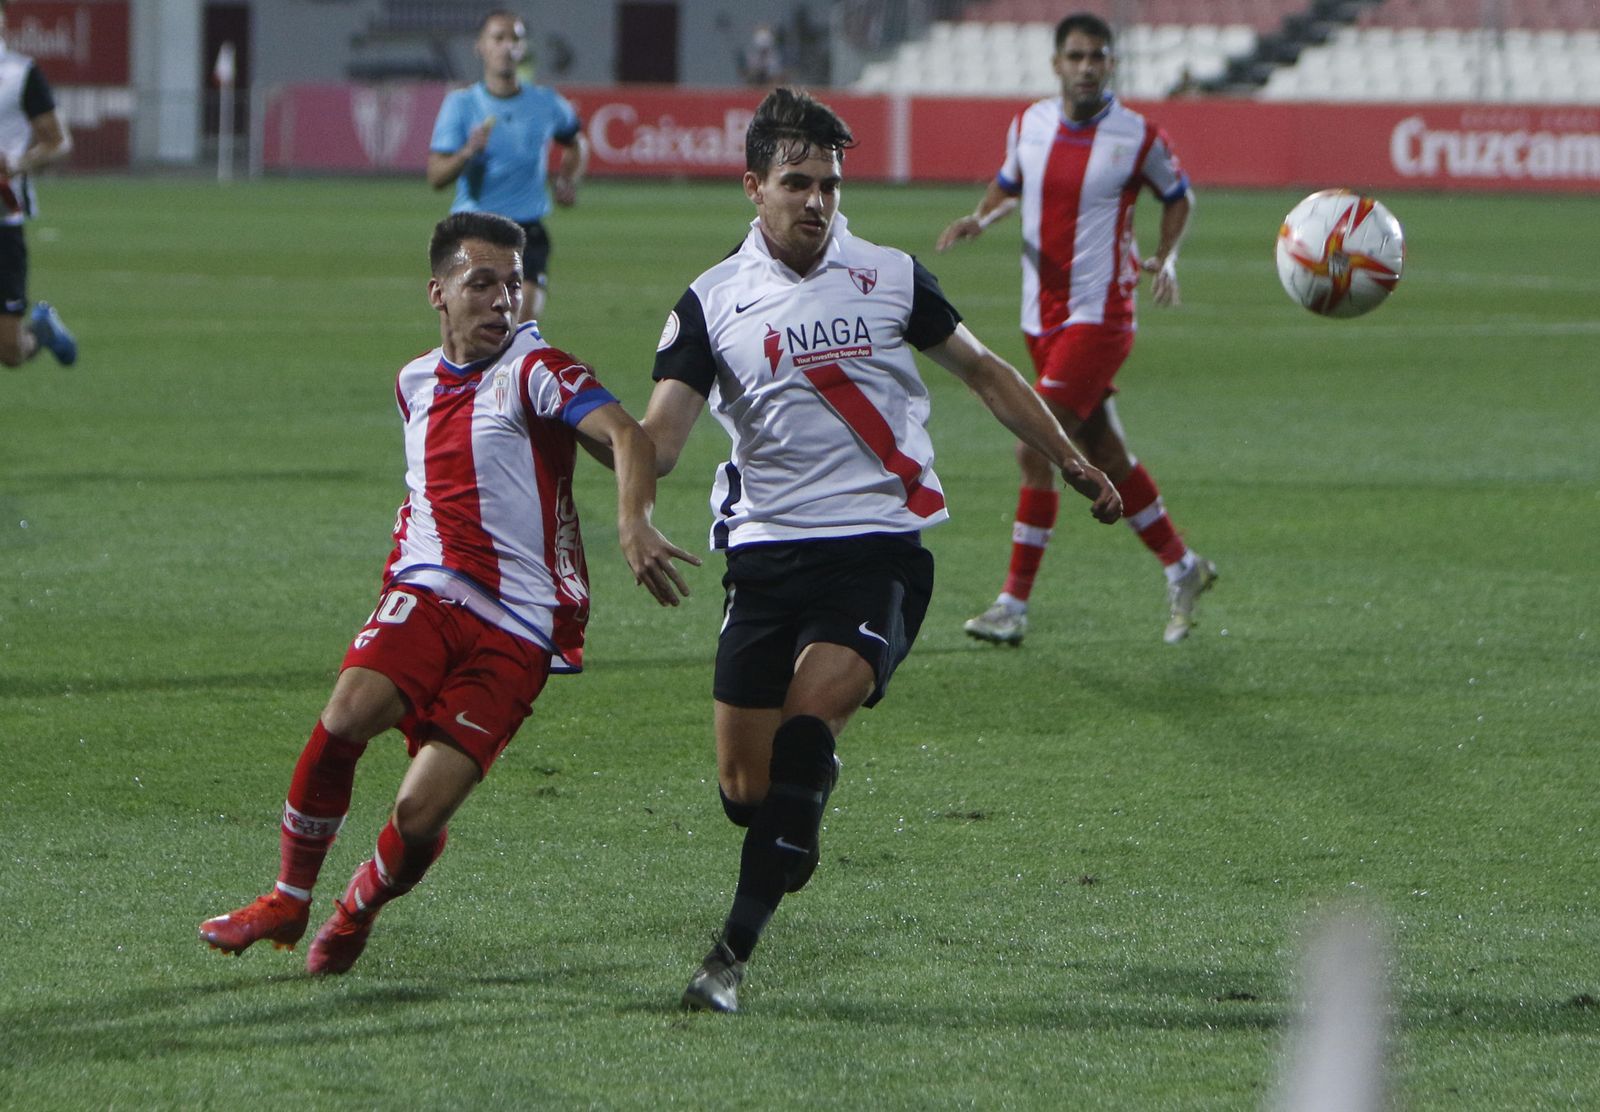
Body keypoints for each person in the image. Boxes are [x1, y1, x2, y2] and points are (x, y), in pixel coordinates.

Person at [642, 87, 1122, 1013]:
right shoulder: (711, 303)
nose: (816, 200)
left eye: (828, 182)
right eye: (796, 183)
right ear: (754, 187)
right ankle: (793, 811)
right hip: (766, 560)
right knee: (749, 791)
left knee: (807, 733)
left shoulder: (892, 276)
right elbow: (660, 441)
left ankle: (727, 961)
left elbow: (986, 371)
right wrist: (581, 425)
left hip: (878, 552)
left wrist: (1071, 460)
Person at [199, 212, 698, 975]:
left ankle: (356, 906)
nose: (504, 301)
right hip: (429, 590)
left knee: (417, 813)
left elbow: (631, 438)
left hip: (520, 628)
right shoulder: (412, 383)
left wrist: (633, 524)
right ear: (439, 292)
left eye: (515, 285)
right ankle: (288, 899)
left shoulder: (538, 368)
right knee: (344, 718)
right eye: (484, 284)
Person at [937, 12, 1214, 647]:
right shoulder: (1030, 124)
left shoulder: (1138, 136)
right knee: (1107, 452)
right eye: (1077, 56)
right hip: (1043, 315)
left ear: (1111, 64)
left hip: (1102, 313)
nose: (1088, 66)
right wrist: (982, 218)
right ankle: (1184, 567)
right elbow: (1010, 185)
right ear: (1058, 64)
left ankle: (1013, 604)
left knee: (1034, 445)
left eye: (1098, 56)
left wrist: (1166, 257)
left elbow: (1180, 196)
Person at [427, 9, 589, 324]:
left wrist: (567, 180)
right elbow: (436, 176)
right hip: (474, 229)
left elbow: (577, 143)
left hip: (525, 231)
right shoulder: (462, 104)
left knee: (522, 326)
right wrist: (466, 153)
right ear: (481, 47)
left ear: (523, 48)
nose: (506, 46)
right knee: (470, 331)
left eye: (514, 38)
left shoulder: (546, 102)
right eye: (498, 38)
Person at [0, 0, 76, 369]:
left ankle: (41, 333)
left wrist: (16, 164)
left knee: (10, 352)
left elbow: (59, 141)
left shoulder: (20, 74)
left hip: (4, 219)